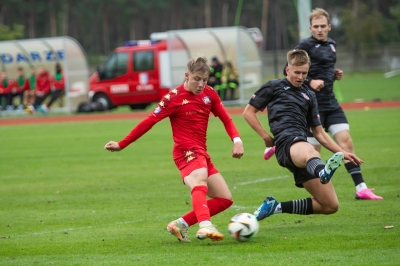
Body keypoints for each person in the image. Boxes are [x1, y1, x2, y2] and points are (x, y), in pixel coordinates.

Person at [104, 56, 244, 242]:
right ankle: (205, 225)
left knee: (225, 199)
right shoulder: (173, 98)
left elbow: (226, 119)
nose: (201, 84)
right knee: (200, 178)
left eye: (204, 80)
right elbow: (149, 121)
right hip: (185, 152)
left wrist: (237, 140)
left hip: (201, 152)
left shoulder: (209, 94)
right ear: (187, 75)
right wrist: (122, 143)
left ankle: (180, 224)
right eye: (196, 79)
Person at [242, 49, 363, 221]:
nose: (300, 77)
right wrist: (266, 137)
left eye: (304, 73)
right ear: (288, 70)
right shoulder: (274, 86)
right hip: (286, 142)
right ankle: (323, 172)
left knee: (330, 205)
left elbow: (319, 133)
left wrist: (342, 152)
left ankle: (274, 207)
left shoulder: (310, 95)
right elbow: (248, 112)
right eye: (297, 72)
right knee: (311, 152)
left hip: (300, 145)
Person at [286, 7, 381, 200]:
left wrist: (333, 75)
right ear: (310, 28)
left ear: (329, 26)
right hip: (312, 107)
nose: (320, 29)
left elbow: (323, 68)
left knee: (346, 142)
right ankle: (320, 194)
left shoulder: (331, 44)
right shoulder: (304, 44)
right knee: (314, 154)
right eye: (316, 26)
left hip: (331, 103)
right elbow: (286, 70)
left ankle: (361, 188)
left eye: (323, 26)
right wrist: (309, 81)